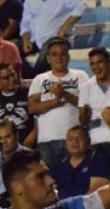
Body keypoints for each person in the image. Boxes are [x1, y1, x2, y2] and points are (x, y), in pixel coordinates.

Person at [27, 38, 88, 167]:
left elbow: (86, 103)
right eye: (54, 54)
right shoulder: (40, 79)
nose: (59, 58)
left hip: (74, 139)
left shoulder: (80, 75)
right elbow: (32, 107)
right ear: (48, 59)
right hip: (46, 139)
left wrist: (64, 94)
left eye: (62, 54)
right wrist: (55, 101)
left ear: (68, 56)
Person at [20, 0, 86, 75]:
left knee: (48, 49)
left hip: (58, 40)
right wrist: (26, 40)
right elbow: (25, 24)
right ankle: (27, 78)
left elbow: (81, 6)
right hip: (35, 42)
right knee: (11, 49)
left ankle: (35, 81)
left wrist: (64, 28)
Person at [0, 63, 36, 147]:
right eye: (6, 78)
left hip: (27, 144)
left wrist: (32, 136)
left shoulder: (28, 94)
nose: (12, 79)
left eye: (13, 75)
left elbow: (39, 119)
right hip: (0, 147)